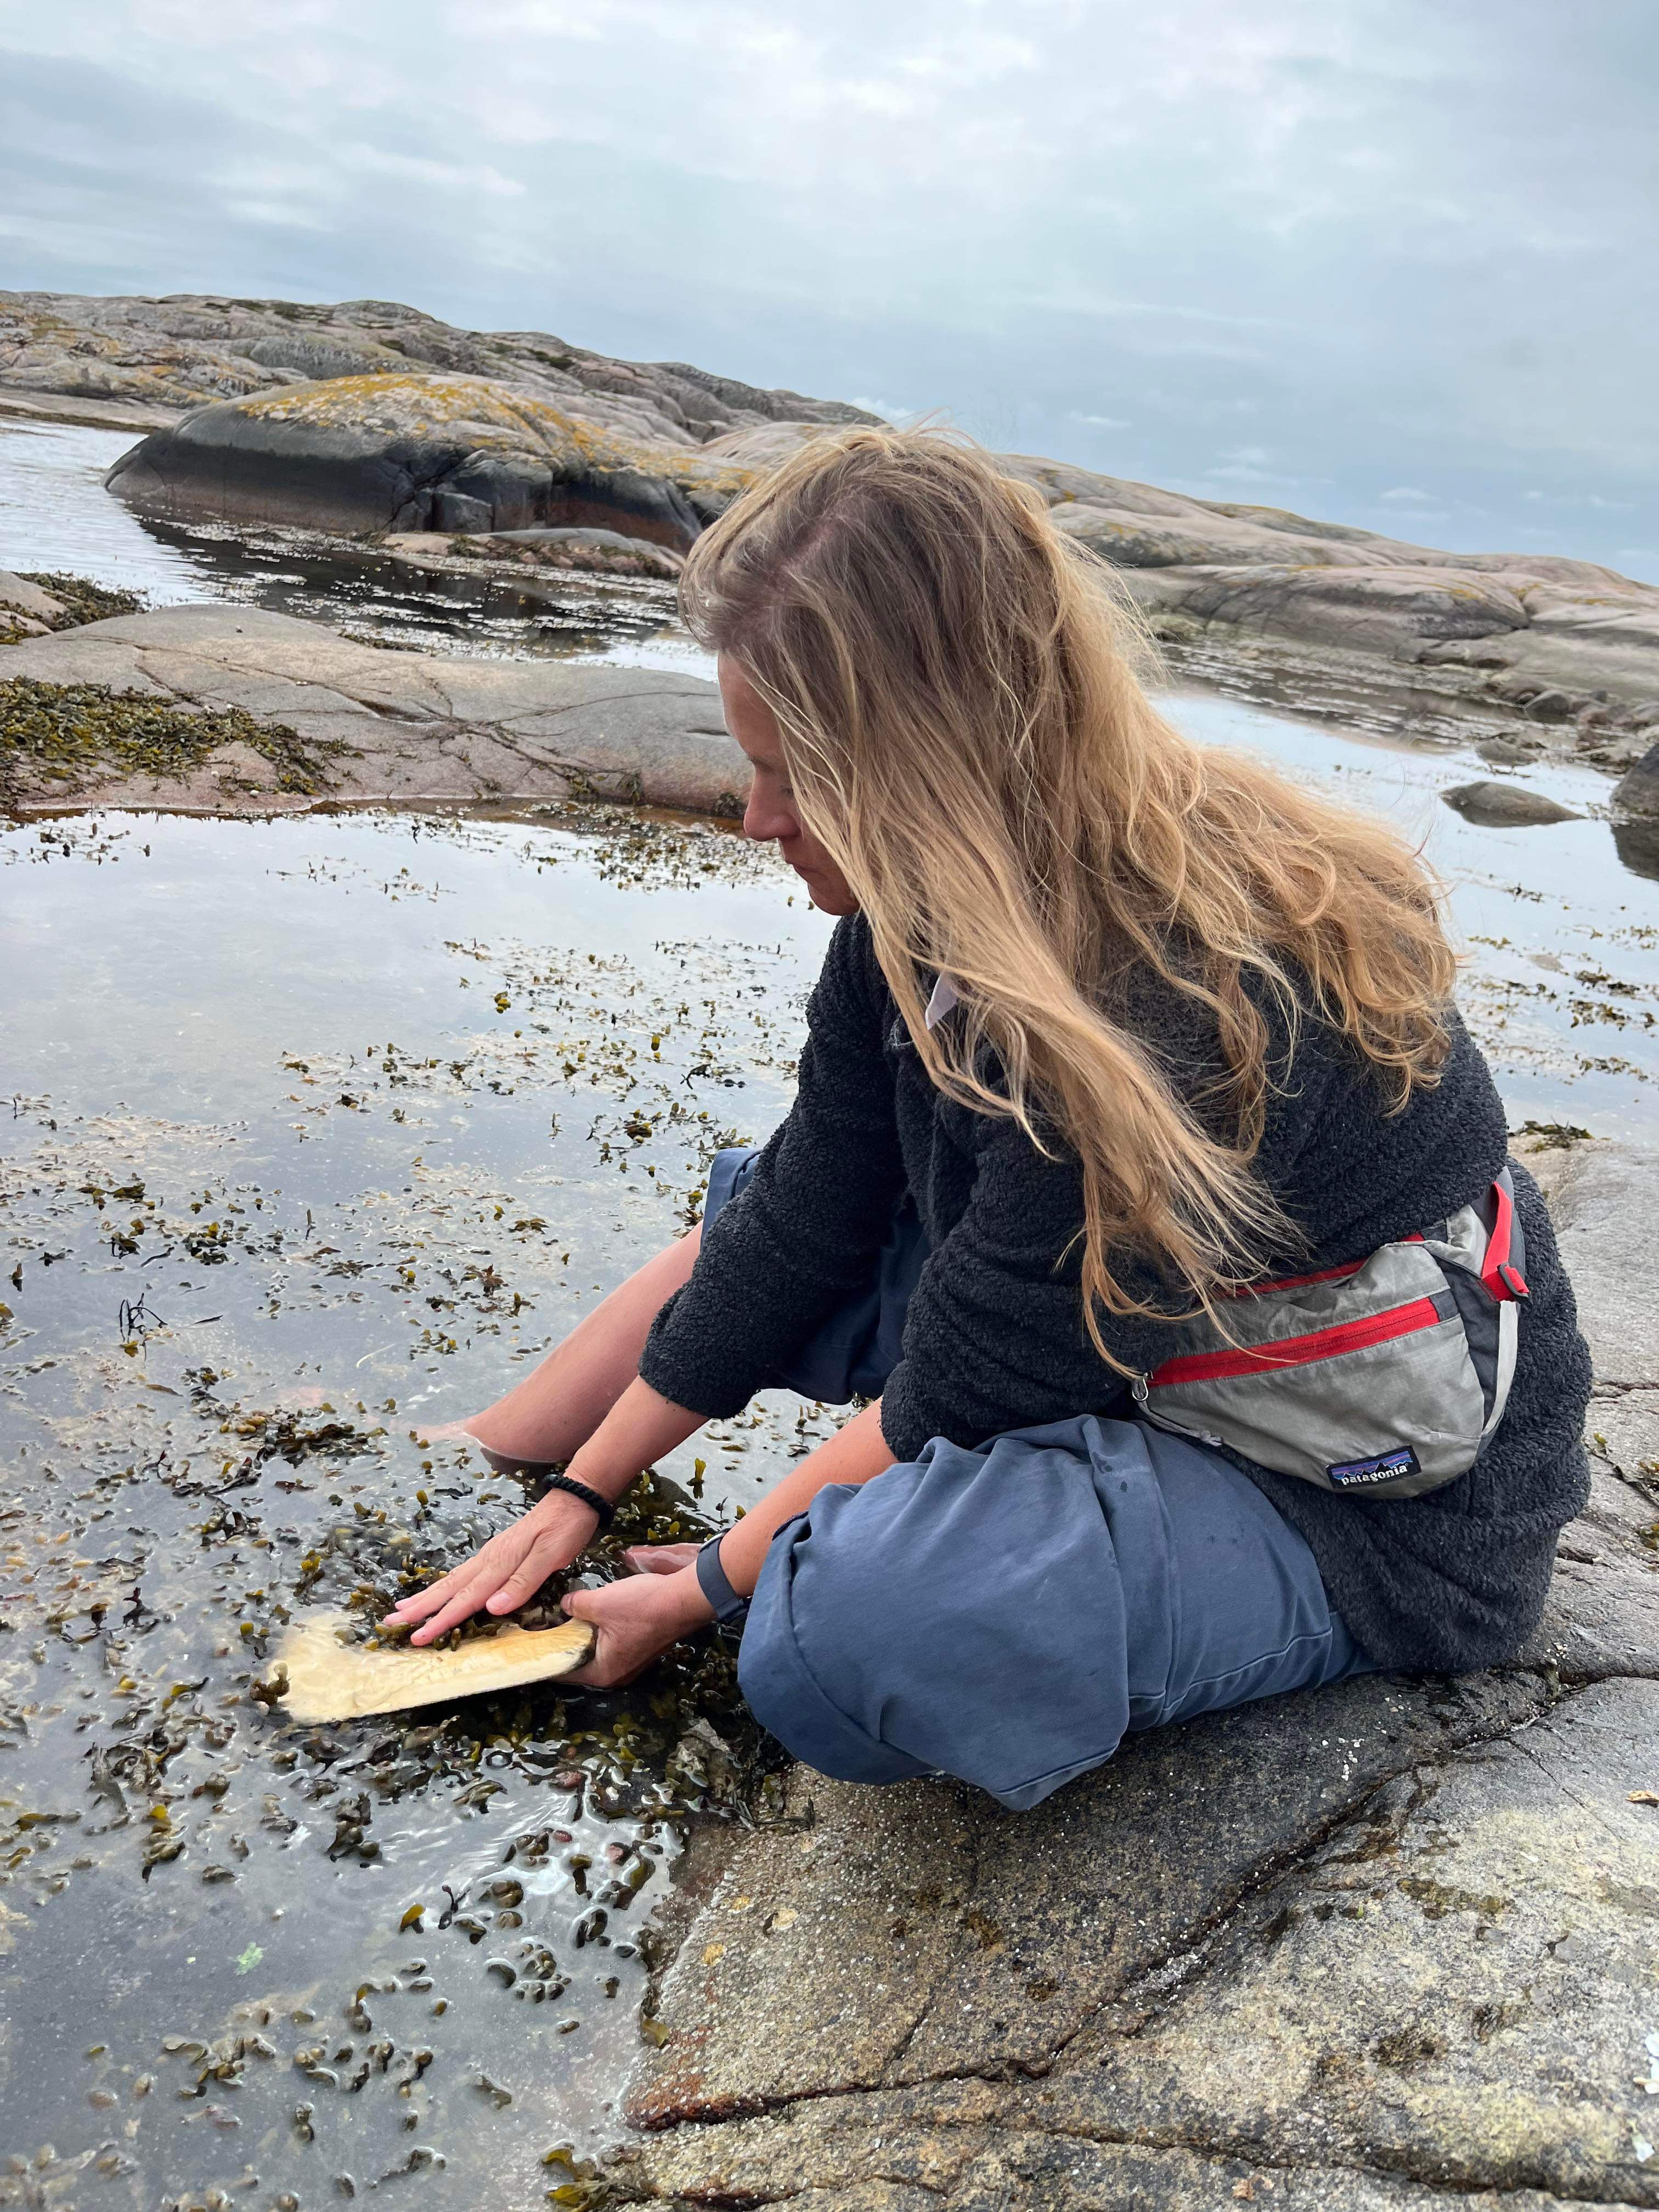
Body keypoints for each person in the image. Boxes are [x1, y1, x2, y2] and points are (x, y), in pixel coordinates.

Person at [385, 429, 1590, 1812]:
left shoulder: (1185, 992)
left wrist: (712, 1584)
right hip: (1134, 1330)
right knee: (746, 1216)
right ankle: (488, 1451)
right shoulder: (913, 918)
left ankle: (1110, 1560)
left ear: (931, 767)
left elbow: (972, 1374)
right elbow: (805, 1214)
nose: (756, 819)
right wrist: (577, 1494)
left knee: (837, 1642)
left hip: (1349, 1479)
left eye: (798, 776)